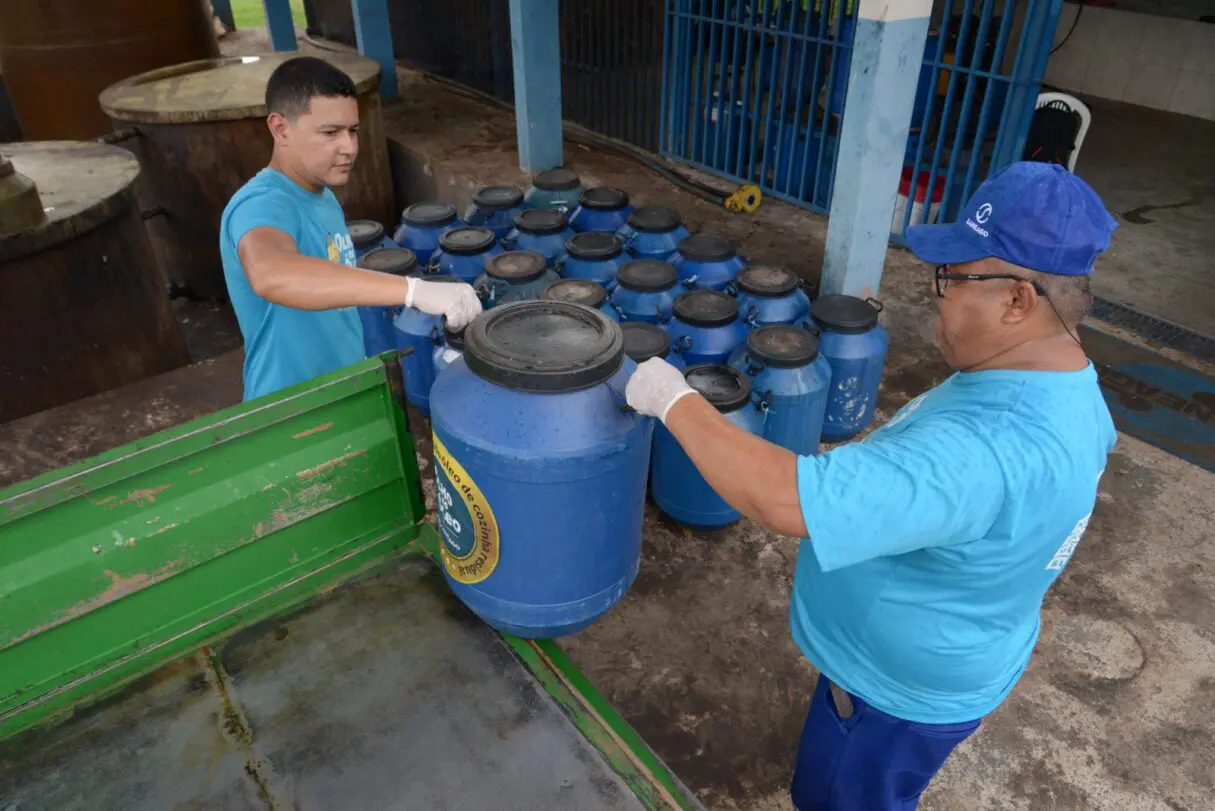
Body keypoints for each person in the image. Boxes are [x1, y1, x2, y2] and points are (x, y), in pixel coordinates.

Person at [624, 162, 1119, 811]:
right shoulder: (1065, 386)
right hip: (960, 645)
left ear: (1017, 300)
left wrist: (671, 397)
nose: (934, 294)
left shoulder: (982, 451)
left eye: (951, 277)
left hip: (890, 697)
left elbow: (781, 495)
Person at [219, 56, 480, 401]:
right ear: (280, 128)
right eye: (330, 133)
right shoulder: (262, 204)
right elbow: (272, 273)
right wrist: (413, 290)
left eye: (352, 130)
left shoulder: (321, 195)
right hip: (290, 410)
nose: (350, 148)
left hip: (342, 392)